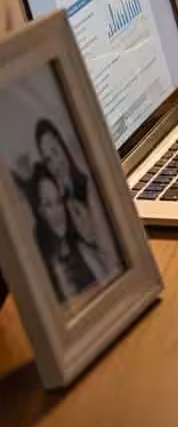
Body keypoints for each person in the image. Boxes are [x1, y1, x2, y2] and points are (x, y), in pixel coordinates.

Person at [35, 119, 119, 281]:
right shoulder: (61, 206)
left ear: (63, 148)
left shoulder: (88, 185)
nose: (55, 163)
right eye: (48, 160)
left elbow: (108, 251)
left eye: (55, 151)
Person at [25, 164, 102, 304]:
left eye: (58, 201)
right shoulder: (43, 267)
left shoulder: (82, 248)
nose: (58, 212)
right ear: (40, 211)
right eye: (48, 204)